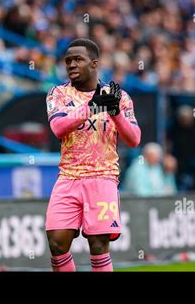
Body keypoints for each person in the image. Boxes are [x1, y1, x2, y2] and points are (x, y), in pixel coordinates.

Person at [45, 38, 141, 272]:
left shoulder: (119, 97)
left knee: (98, 244)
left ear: (94, 63)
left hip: (103, 177)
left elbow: (134, 138)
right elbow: (58, 128)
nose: (71, 65)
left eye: (78, 59)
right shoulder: (57, 94)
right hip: (68, 177)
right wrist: (92, 108)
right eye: (68, 61)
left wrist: (115, 112)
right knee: (57, 244)